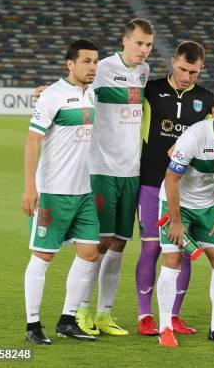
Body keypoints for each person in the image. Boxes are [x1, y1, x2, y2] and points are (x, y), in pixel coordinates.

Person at [155, 86, 214, 347]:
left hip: (208, 206)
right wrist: (175, 221)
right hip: (176, 204)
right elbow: (171, 179)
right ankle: (165, 328)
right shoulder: (195, 136)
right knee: (172, 260)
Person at [76, 18, 154, 336]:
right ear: (124, 41)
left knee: (120, 243)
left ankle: (104, 313)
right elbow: (77, 85)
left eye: (148, 45)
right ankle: (79, 310)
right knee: (97, 243)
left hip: (131, 171)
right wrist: (46, 90)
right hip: (102, 169)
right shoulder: (103, 69)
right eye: (138, 43)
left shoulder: (144, 72)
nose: (144, 50)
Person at [22, 39, 100, 344]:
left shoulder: (91, 93)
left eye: (95, 61)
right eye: (86, 61)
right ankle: (32, 325)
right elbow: (32, 141)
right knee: (43, 257)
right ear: (70, 64)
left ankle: (67, 320)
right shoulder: (53, 96)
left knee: (90, 252)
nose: (92, 67)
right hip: (53, 191)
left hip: (83, 191)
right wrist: (30, 187)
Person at [136, 41, 213, 336]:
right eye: (182, 69)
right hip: (151, 181)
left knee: (182, 250)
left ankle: (174, 316)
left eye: (193, 72)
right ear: (173, 62)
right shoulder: (151, 90)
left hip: (185, 189)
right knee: (152, 246)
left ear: (201, 68)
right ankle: (145, 316)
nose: (186, 76)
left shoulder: (207, 100)